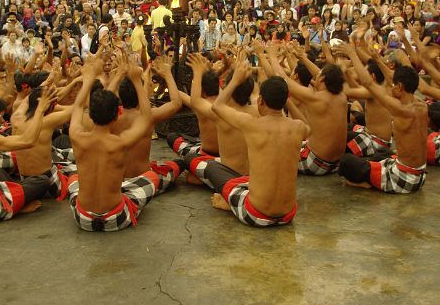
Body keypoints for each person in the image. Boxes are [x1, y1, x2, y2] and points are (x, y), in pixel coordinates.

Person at [185, 58, 307, 227]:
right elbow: (307, 126)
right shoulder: (298, 127)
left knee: (212, 168)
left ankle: (229, 203)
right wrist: (287, 100)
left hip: (256, 214)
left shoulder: (250, 123)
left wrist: (233, 79)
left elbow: (217, 106)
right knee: (242, 179)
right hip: (288, 215)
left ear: (261, 101)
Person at [67, 55, 184, 232]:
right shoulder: (121, 142)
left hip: (82, 218)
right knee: (152, 176)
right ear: (116, 115)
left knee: (74, 178)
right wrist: (138, 81)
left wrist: (89, 78)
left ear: (91, 115)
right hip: (116, 218)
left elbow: (77, 107)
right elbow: (146, 117)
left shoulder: (77, 135)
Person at [337, 43, 428, 194]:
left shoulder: (401, 109)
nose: (390, 86)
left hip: (404, 178)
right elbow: (392, 78)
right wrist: (377, 59)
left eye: (393, 85)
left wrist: (352, 54)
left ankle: (366, 183)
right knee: (381, 156)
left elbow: (368, 83)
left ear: (399, 87)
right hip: (420, 177)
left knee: (346, 162)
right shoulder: (422, 106)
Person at [0, 88, 57, 223]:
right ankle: (17, 206)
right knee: (42, 181)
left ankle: (16, 198)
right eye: (0, 116)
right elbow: (28, 141)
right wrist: (40, 110)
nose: (2, 121)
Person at [261, 45, 347, 175]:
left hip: (316, 163)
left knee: (271, 147)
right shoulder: (342, 96)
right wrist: (302, 57)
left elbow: (281, 78)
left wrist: (271, 56)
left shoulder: (316, 98)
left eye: (319, 75)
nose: (315, 76)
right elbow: (321, 74)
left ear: (323, 79)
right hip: (336, 163)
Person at [181, 53, 258, 187]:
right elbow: (256, 92)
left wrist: (198, 72)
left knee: (189, 159)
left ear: (227, 88)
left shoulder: (220, 113)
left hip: (228, 177)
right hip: (253, 175)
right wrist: (240, 72)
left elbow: (196, 101)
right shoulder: (258, 110)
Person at [112, 55, 182, 178]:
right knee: (181, 163)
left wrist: (118, 74)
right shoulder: (148, 116)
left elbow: (103, 98)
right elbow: (176, 103)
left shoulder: (110, 116)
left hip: (117, 178)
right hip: (144, 178)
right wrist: (167, 74)